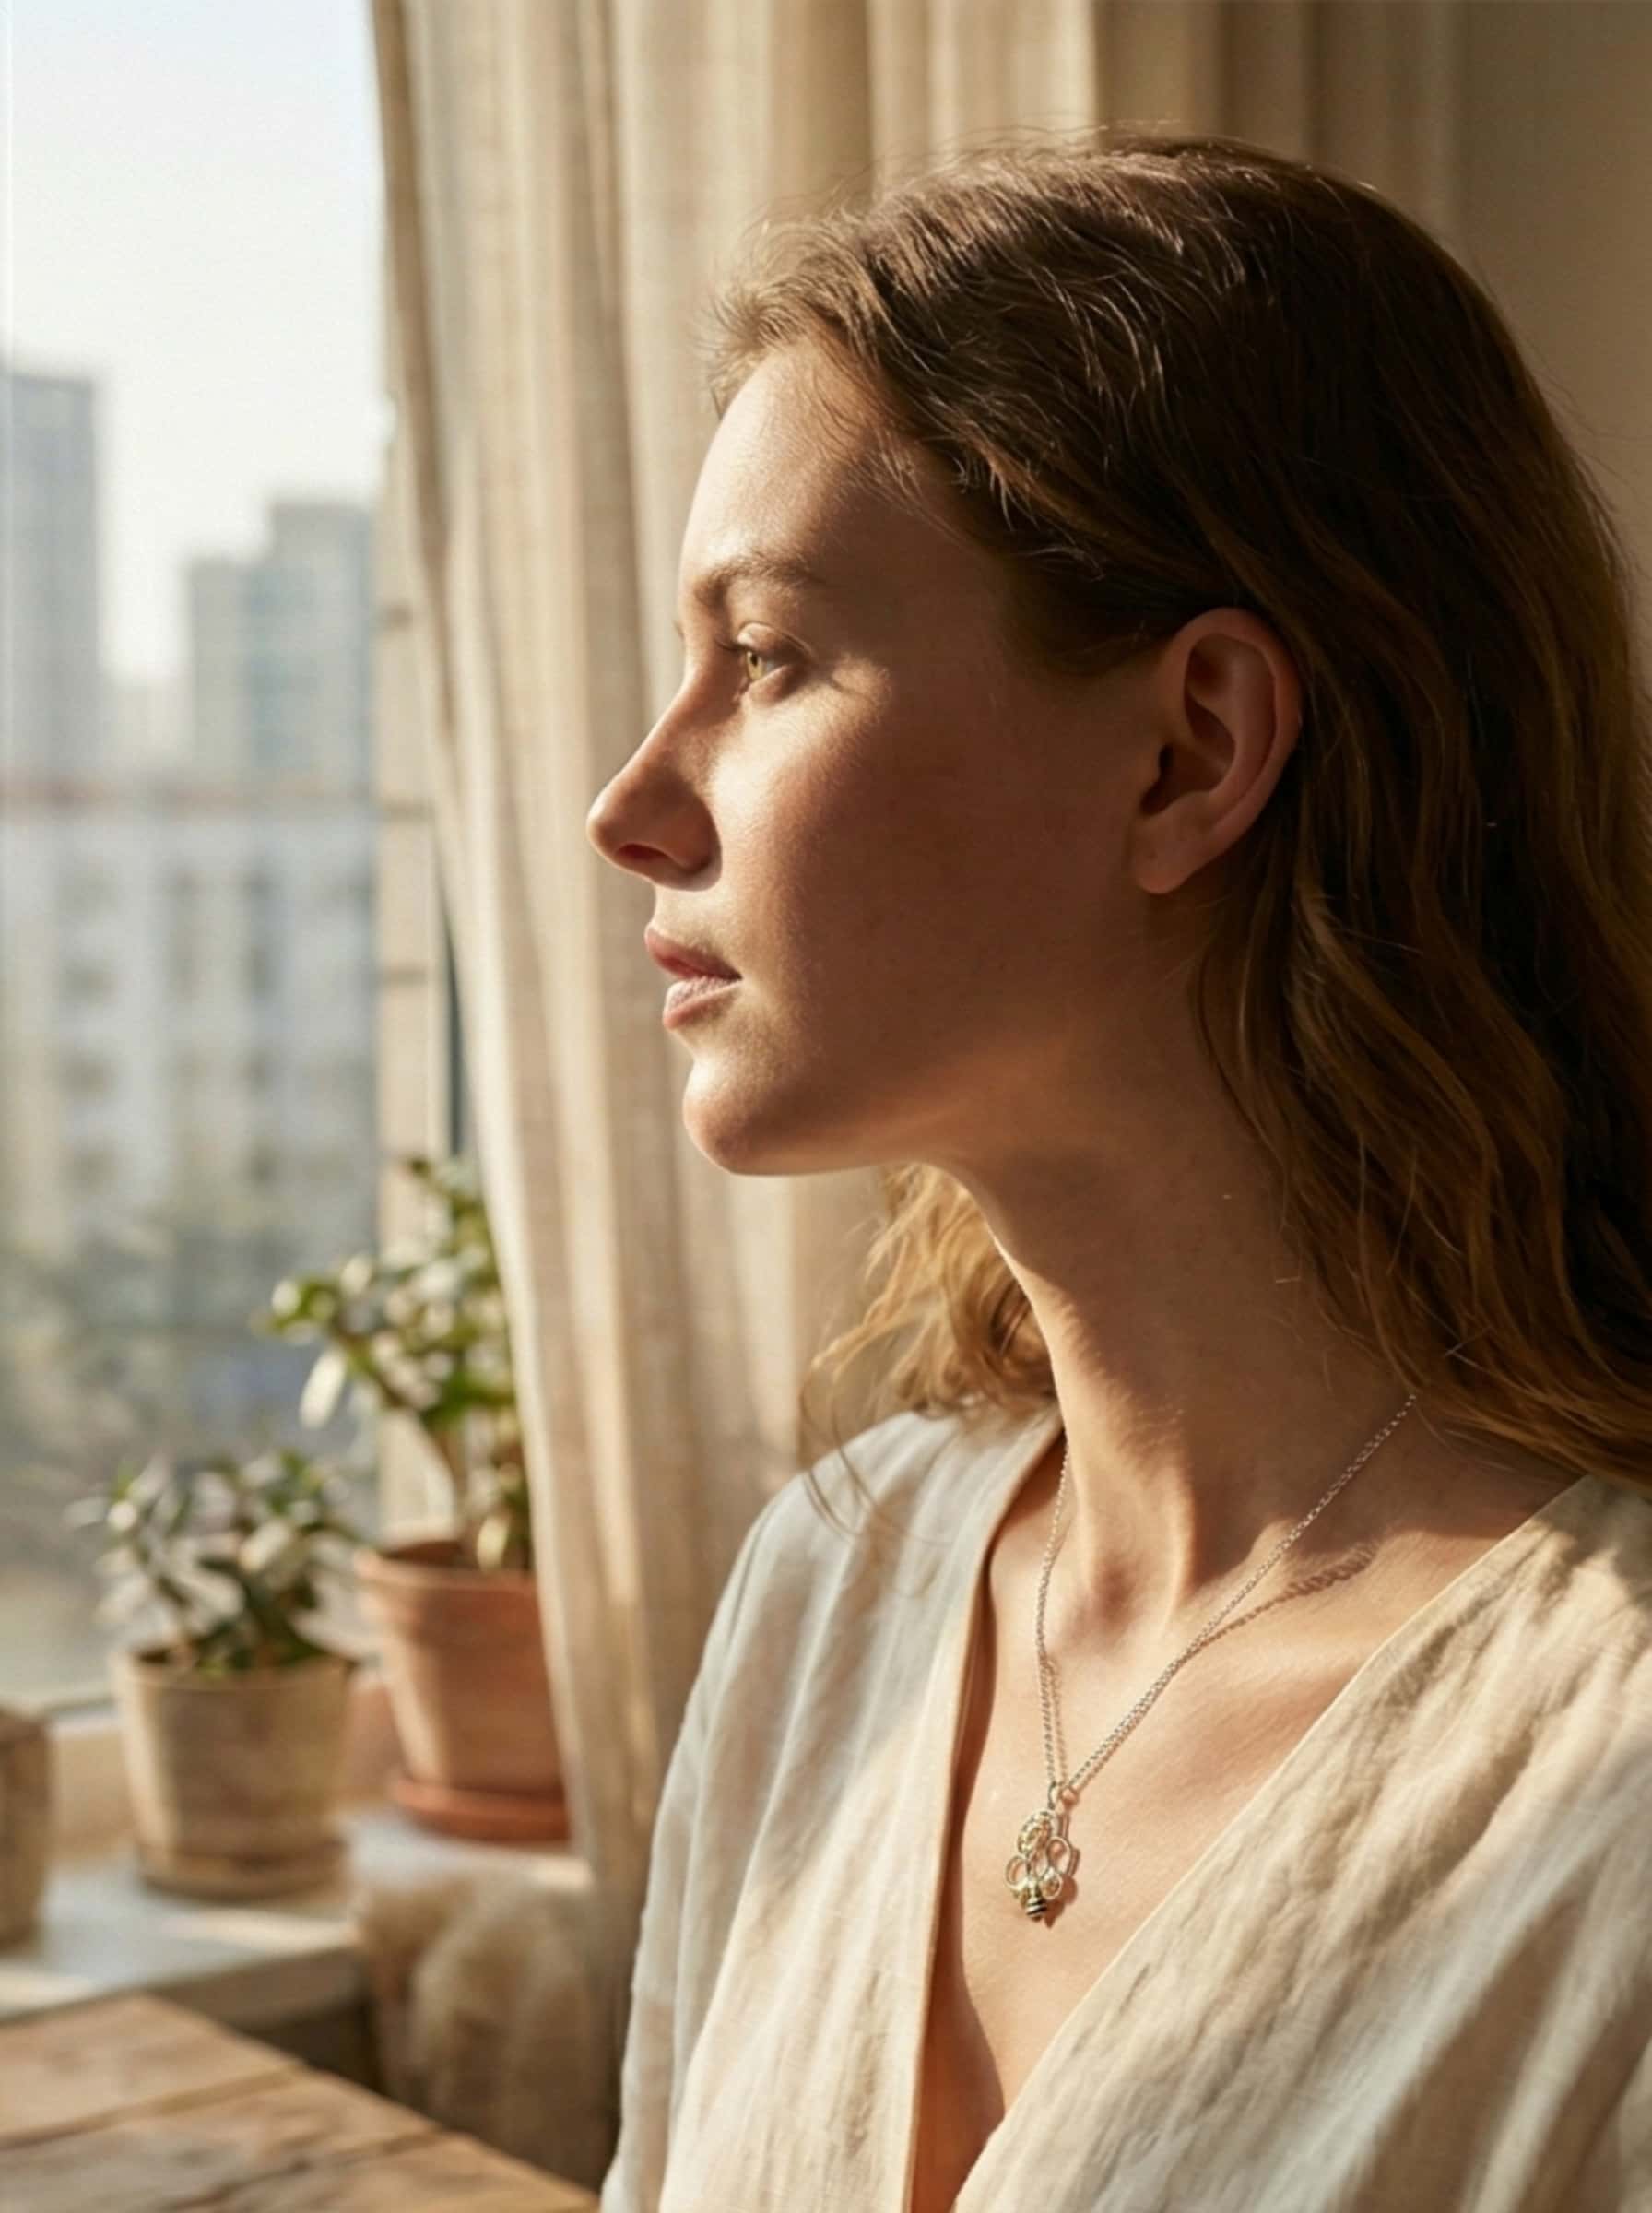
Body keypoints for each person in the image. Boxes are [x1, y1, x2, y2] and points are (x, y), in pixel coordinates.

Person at [584, 129, 1652, 2211]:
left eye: (771, 655)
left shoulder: (1600, 1775)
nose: (635, 800)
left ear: (1189, 750)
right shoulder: (836, 1584)